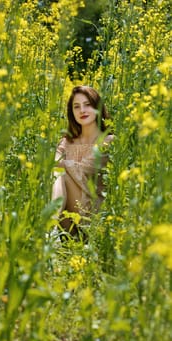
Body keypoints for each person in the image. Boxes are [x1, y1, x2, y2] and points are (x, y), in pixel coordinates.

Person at [52, 85, 114, 241]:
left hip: (90, 214)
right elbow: (52, 163)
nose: (82, 111)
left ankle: (49, 229)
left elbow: (83, 170)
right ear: (71, 112)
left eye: (87, 105)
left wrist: (61, 164)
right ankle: (52, 230)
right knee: (55, 175)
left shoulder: (107, 141)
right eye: (76, 107)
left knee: (60, 174)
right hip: (66, 217)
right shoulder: (66, 142)